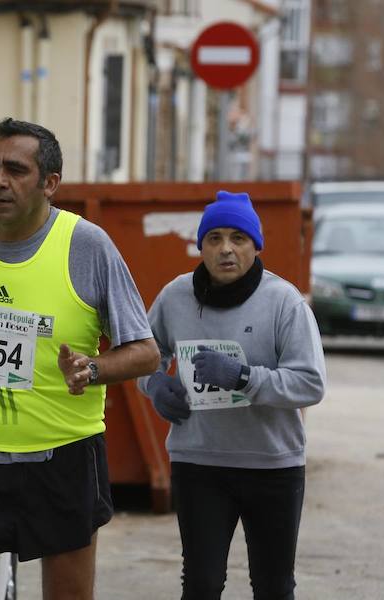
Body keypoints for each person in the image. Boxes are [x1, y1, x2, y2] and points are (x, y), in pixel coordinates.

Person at [0, 117, 159, 600]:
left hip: (62, 460)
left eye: (15, 169)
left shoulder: (86, 246)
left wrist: (93, 370)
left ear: (50, 183)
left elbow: (146, 352)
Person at [137, 190, 326, 600]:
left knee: (273, 587)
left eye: (238, 238)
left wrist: (243, 378)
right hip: (199, 464)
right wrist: (153, 384)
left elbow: (310, 383)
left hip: (273, 466)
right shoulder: (175, 296)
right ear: (201, 245)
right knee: (202, 584)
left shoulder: (284, 303)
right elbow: (144, 355)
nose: (226, 249)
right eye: (215, 238)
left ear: (255, 246)